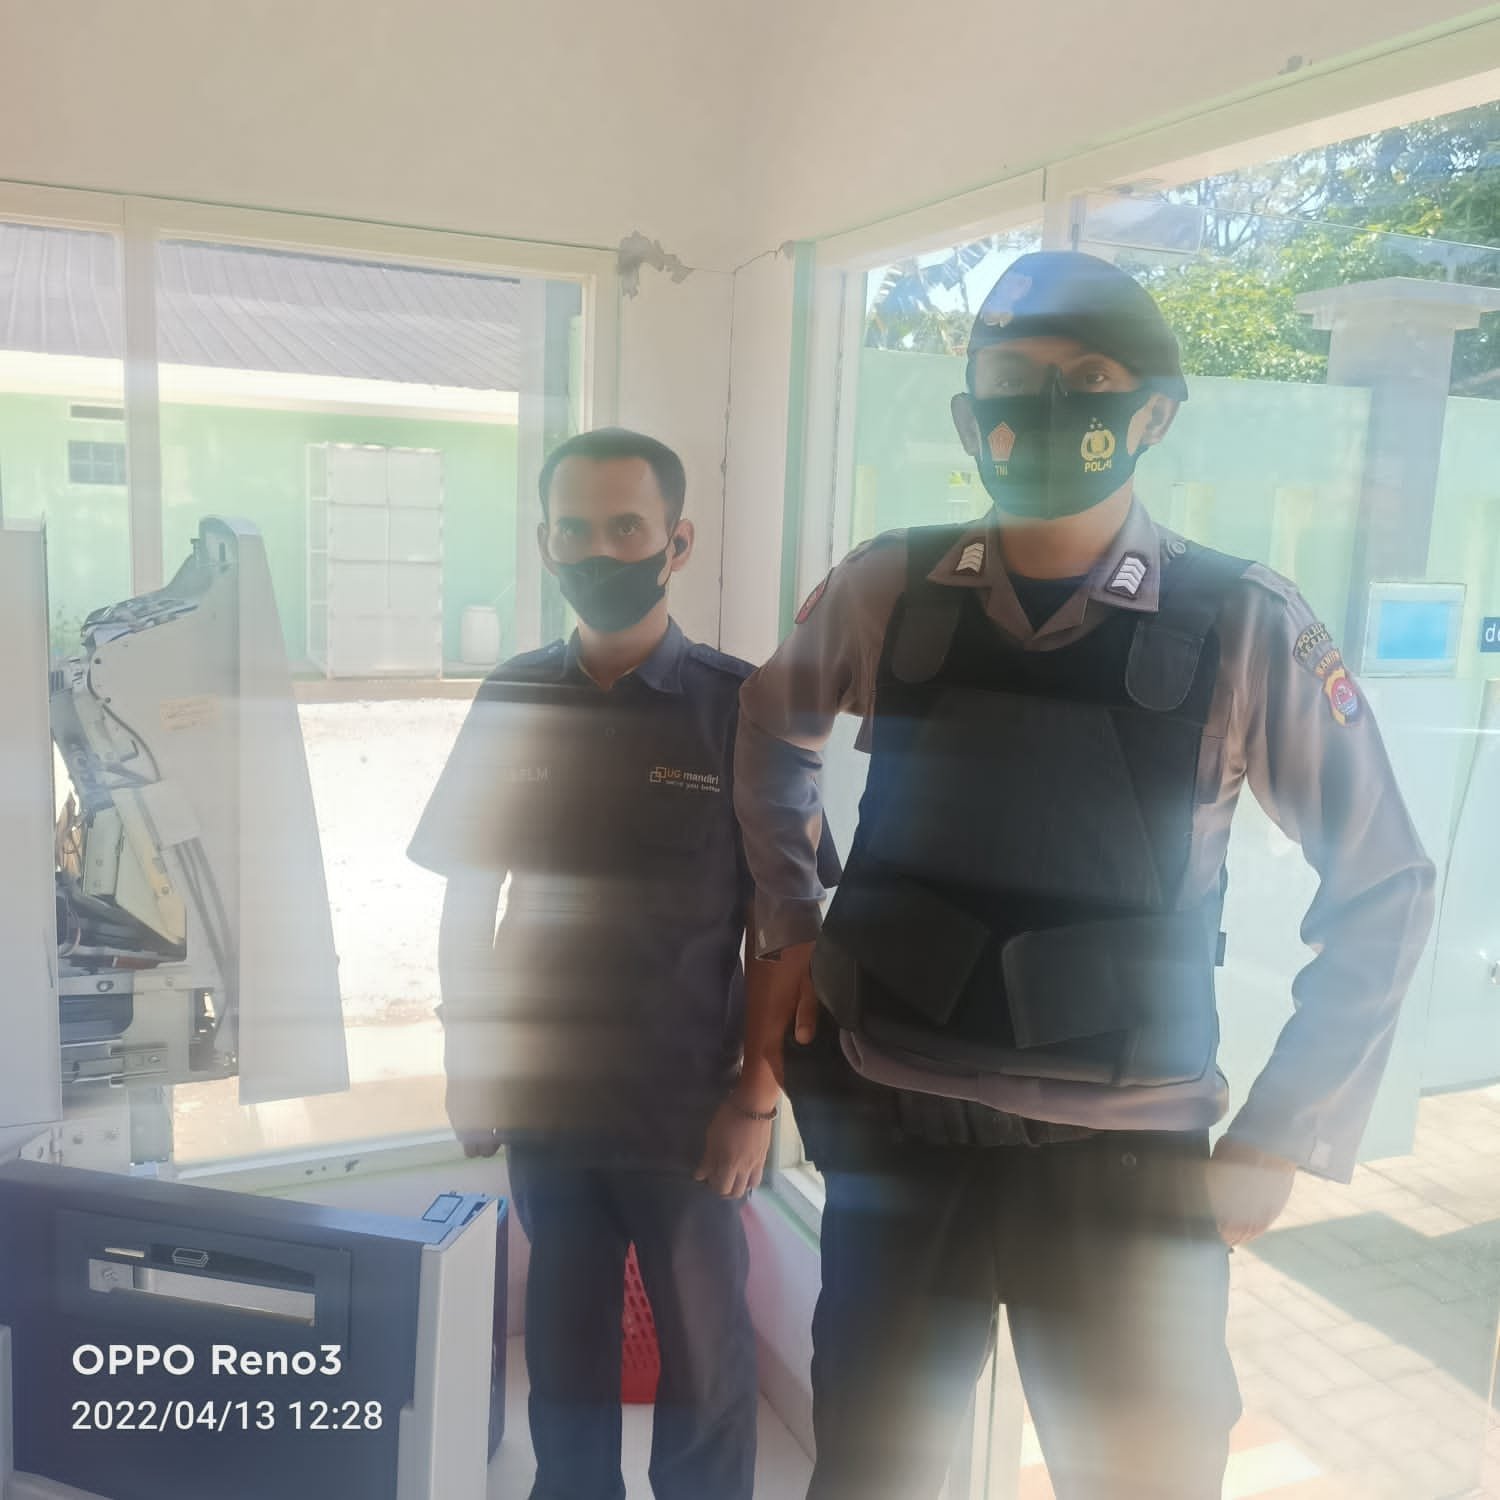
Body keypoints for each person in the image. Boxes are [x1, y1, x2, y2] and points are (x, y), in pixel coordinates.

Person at [733, 252, 1436, 1500]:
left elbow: (1386, 886)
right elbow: (767, 733)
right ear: (970, 416)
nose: (1048, 406)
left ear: (1155, 413)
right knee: (872, 1478)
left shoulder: (1244, 620)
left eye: (1088, 379)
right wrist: (789, 924)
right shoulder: (890, 585)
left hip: (1127, 1176)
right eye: (1011, 379)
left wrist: (1280, 1131)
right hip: (900, 1142)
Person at [408, 428, 835, 1500]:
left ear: (676, 543)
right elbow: (469, 894)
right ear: (546, 543)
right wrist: (469, 1062)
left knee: (705, 1361)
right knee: (565, 1351)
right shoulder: (514, 695)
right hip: (548, 1103)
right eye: (576, 530)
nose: (599, 551)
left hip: (689, 1107)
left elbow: (787, 924)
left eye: (626, 528)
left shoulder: (743, 708)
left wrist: (757, 1097)